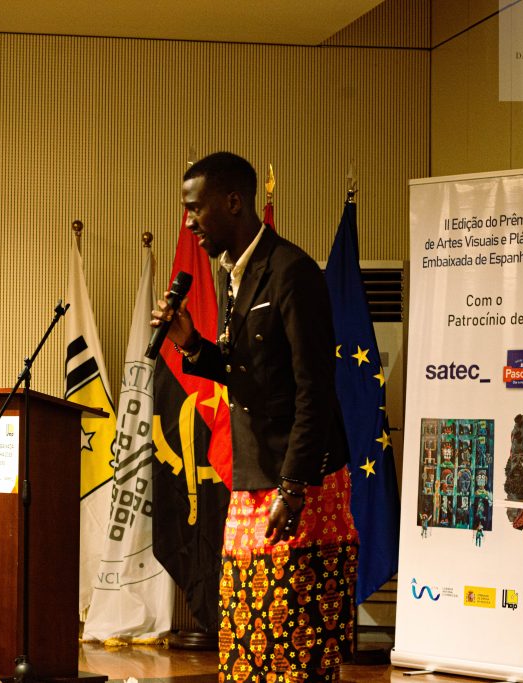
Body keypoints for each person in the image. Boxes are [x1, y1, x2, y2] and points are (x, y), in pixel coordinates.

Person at [151, 152, 359, 681]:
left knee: (296, 630)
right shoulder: (232, 275)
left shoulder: (292, 272)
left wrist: (293, 488)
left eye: (195, 208)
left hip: (303, 480)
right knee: (246, 632)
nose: (189, 222)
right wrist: (191, 345)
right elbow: (246, 371)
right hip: (253, 474)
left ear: (233, 202)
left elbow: (314, 389)